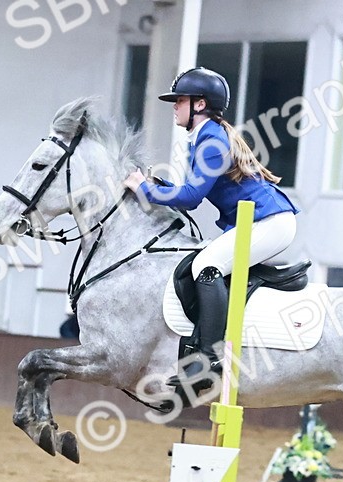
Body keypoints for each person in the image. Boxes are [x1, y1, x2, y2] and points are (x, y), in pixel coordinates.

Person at [124, 67, 298, 398]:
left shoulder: (212, 141)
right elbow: (188, 191)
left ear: (200, 105)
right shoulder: (207, 137)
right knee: (203, 263)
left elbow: (191, 198)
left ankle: (207, 363)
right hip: (259, 221)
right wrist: (159, 186)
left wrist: (145, 190)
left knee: (206, 267)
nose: (175, 106)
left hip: (269, 222)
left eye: (180, 100)